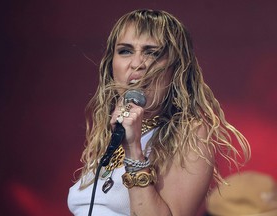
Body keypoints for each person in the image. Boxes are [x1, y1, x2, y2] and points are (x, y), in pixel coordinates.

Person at [67, 9, 251, 216]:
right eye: (125, 51)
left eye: (152, 52)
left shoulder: (190, 134)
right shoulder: (109, 133)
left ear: (176, 68)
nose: (136, 64)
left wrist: (134, 150)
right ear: (111, 64)